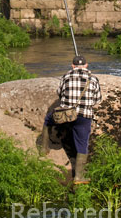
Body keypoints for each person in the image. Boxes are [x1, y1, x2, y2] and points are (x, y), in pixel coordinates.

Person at [39, 55, 102, 184]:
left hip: (65, 114)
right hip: (84, 116)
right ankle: (79, 177)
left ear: (72, 66)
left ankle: (44, 148)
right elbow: (97, 100)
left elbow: (59, 93)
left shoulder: (66, 76)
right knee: (82, 144)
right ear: (86, 65)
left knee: (48, 120)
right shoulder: (93, 79)